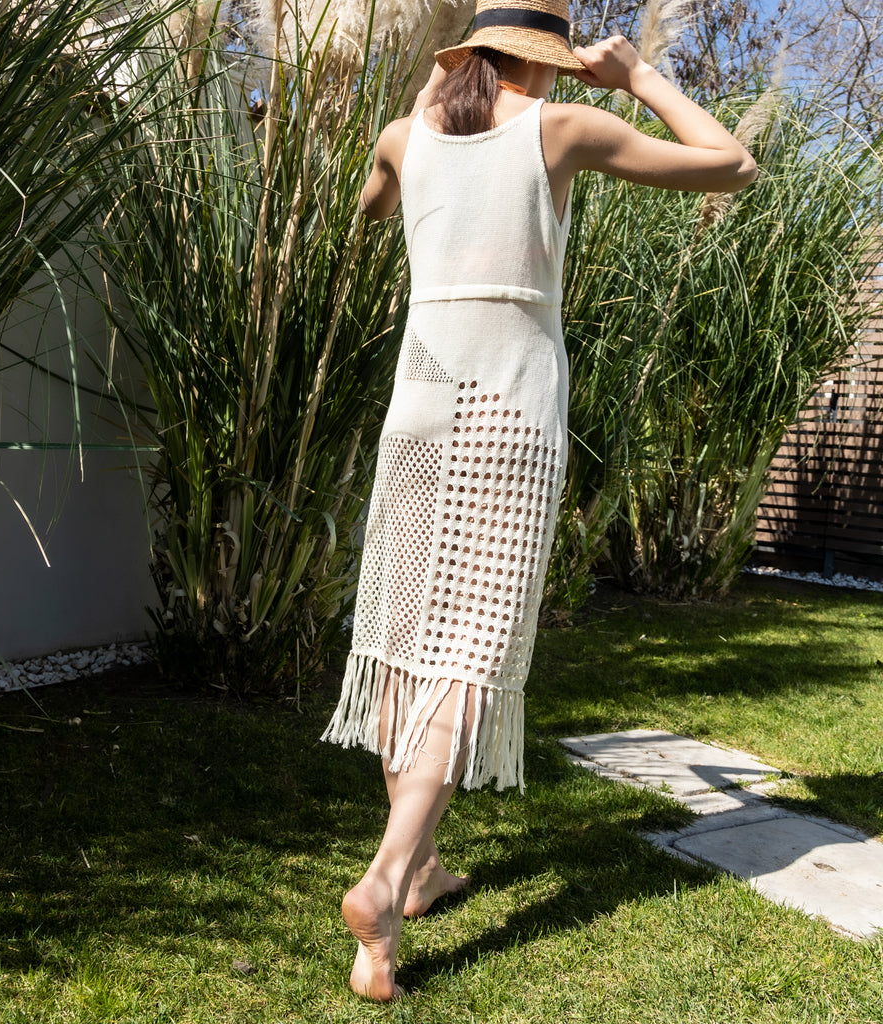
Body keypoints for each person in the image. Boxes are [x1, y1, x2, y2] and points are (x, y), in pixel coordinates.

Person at [321, 0, 757, 1001]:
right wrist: (639, 79)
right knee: (469, 651)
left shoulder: (405, 133)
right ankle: (387, 877)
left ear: (467, 52)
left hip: (417, 410)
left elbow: (368, 208)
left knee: (402, 637)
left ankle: (416, 873)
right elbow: (732, 164)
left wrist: (418, 107)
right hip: (506, 419)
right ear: (550, 57)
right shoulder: (562, 127)